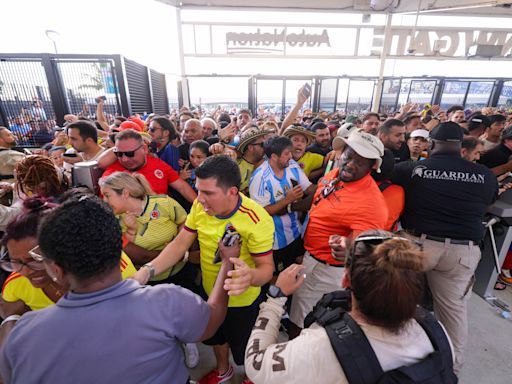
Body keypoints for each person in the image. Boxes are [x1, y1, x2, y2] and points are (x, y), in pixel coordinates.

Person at [0, 197, 235, 383]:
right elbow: (212, 319)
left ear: (55, 269)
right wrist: (227, 262)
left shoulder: (21, 338)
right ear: (121, 250)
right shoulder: (167, 302)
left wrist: (9, 320)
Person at [132, 155, 275, 384]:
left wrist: (250, 277)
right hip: (210, 292)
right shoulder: (200, 206)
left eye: (208, 193)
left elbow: (267, 268)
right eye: (198, 190)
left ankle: (251, 377)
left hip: (242, 300)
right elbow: (180, 243)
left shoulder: (257, 219)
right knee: (215, 336)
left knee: (246, 349)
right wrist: (147, 271)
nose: (199, 199)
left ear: (232, 192)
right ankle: (222, 370)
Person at [245, 231, 456, 384]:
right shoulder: (437, 332)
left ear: (345, 281)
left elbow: (256, 364)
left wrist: (276, 297)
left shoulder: (320, 347)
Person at [391, 121, 498, 373]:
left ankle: (395, 362)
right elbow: (488, 200)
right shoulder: (483, 175)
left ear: (432, 143)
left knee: (400, 301)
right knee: (453, 313)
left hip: (417, 246)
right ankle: (451, 370)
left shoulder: (415, 169)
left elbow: (387, 174)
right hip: (461, 252)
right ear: (462, 145)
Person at [289, 129, 388, 331]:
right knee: (299, 314)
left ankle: (297, 357)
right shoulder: (336, 173)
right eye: (348, 156)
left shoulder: (371, 204)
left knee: (308, 324)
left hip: (327, 271)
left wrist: (350, 248)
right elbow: (319, 195)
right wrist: (290, 206)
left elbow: (368, 249)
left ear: (372, 166)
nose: (350, 163)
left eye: (360, 161)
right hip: (310, 258)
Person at [249, 136, 315, 277]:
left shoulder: (292, 166)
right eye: (286, 154)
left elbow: (309, 188)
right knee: (279, 277)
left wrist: (325, 185)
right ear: (273, 156)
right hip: (275, 241)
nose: (291, 156)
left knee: (297, 269)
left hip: (296, 232)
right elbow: (262, 212)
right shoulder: (260, 179)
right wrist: (288, 199)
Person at [101, 129, 196, 203]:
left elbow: (182, 187)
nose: (124, 159)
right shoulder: (112, 174)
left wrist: (201, 208)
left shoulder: (158, 164)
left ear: (144, 149)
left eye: (130, 153)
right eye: (119, 154)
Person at [235, 127, 268, 195]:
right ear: (250, 147)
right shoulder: (236, 167)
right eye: (262, 144)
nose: (265, 147)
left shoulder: (267, 161)